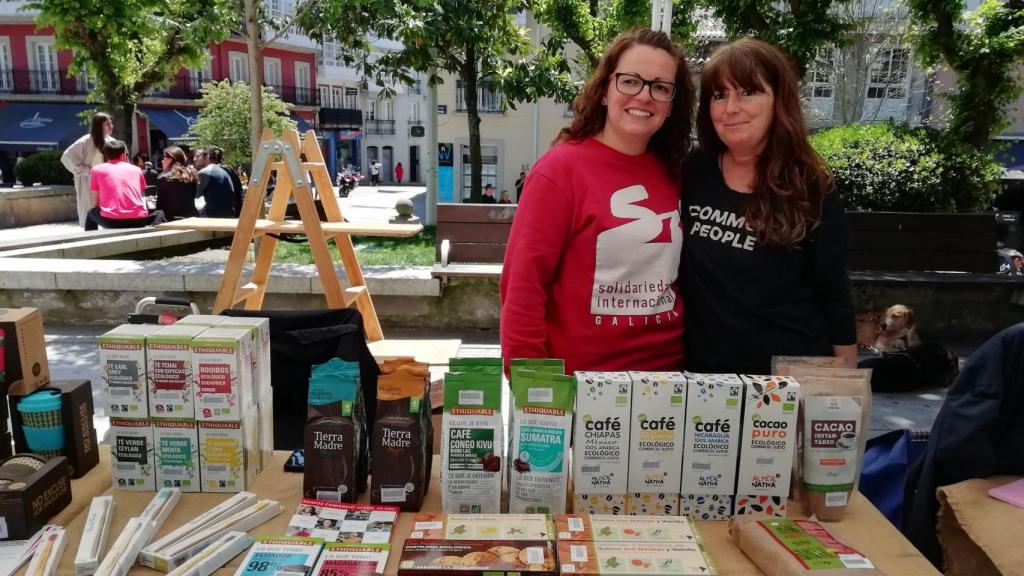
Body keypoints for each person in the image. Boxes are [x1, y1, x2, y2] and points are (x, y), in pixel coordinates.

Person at [500, 28, 694, 374]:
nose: (644, 96)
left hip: (668, 382)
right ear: (604, 90)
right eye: (630, 81)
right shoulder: (560, 171)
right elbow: (523, 287)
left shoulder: (676, 172)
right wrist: (532, 385)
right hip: (581, 385)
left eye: (661, 87)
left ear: (671, 105)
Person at [681, 37, 856, 374]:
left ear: (779, 99)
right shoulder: (695, 170)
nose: (731, 108)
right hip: (705, 378)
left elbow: (833, 290)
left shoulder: (809, 184)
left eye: (748, 92)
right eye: (719, 95)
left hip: (788, 377)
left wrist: (846, 380)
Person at [85, 139, 166, 231]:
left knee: (91, 213)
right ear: (123, 155)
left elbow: (94, 201)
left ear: (106, 155)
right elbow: (140, 195)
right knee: (159, 213)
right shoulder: (137, 170)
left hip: (111, 221)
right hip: (138, 219)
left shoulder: (96, 170)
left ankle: (92, 238)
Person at [61, 112, 113, 227]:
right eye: (107, 124)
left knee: (108, 212)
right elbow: (67, 157)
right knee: (90, 210)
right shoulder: (85, 141)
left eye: (111, 123)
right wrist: (84, 170)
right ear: (99, 126)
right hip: (89, 181)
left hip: (107, 182)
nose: (111, 126)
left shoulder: (112, 142)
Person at [155, 146, 199, 220]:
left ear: (170, 159)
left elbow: (160, 206)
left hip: (172, 219)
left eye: (163, 158)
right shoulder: (192, 175)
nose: (162, 161)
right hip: (191, 217)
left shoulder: (163, 178)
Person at [194, 146, 237, 217]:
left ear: (207, 157)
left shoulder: (203, 172)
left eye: (198, 156)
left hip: (213, 216)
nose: (194, 159)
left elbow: (196, 195)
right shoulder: (223, 171)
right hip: (229, 215)